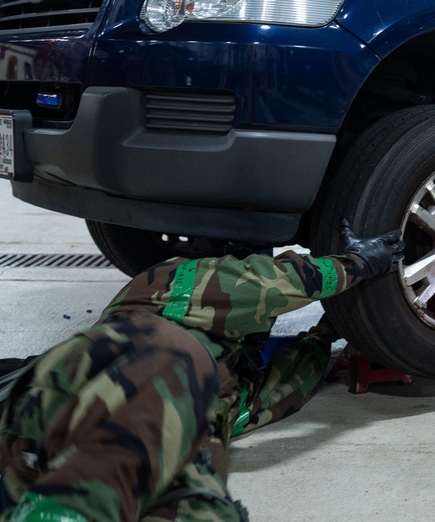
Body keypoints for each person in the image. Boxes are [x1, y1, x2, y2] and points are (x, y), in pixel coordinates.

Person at [0, 220, 404, 521]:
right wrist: (354, 265)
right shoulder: (163, 293)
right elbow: (266, 287)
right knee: (177, 361)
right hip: (65, 407)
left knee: (201, 501)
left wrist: (329, 331)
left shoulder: (224, 385)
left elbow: (281, 391)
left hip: (47, 471)